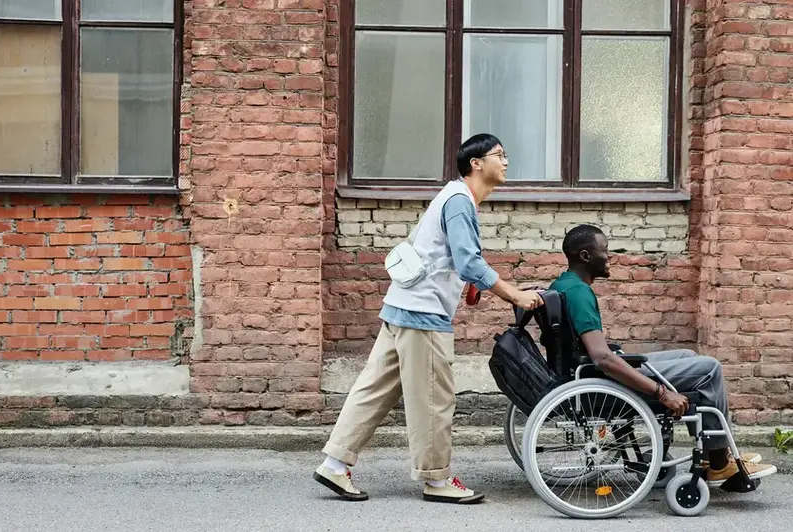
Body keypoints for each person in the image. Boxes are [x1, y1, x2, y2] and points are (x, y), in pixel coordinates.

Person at [313, 134, 544, 504]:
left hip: (402, 306)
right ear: (476, 164)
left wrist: (468, 283)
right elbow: (469, 262)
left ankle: (335, 465)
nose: (506, 162)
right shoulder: (459, 202)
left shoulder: (454, 198)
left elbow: (453, 260)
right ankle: (437, 480)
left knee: (374, 389)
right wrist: (514, 294)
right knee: (435, 400)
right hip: (423, 313)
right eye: (499, 156)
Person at [549, 224, 777, 487]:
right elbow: (602, 358)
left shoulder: (564, 284)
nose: (610, 257)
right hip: (600, 378)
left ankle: (713, 453)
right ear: (586, 256)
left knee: (688, 355)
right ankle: (718, 463)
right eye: (606, 251)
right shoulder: (579, 292)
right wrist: (662, 392)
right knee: (710, 369)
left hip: (587, 371)